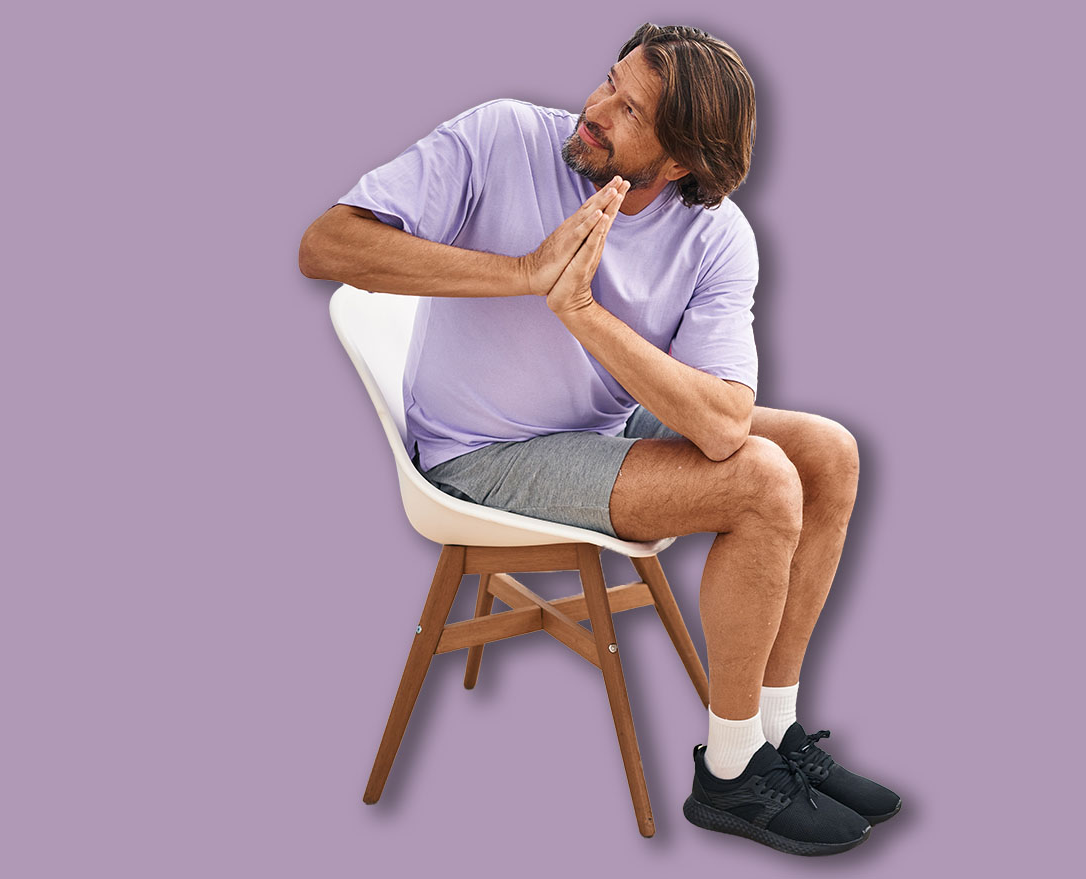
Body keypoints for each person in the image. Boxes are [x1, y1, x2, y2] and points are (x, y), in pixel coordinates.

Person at [299, 22, 899, 855]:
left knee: (826, 452)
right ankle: (730, 775)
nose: (595, 110)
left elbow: (721, 420)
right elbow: (325, 244)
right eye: (608, 83)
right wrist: (523, 273)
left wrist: (581, 313)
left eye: (629, 110)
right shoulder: (502, 135)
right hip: (482, 453)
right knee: (763, 482)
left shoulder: (716, 234)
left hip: (601, 426)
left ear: (682, 160)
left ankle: (771, 732)